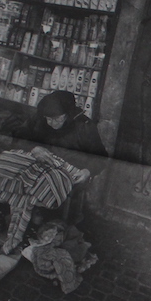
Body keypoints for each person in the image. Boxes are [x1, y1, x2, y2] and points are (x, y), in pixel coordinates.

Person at [20, 90, 108, 222]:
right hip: (41, 164)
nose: (52, 123)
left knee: (43, 188)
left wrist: (87, 171)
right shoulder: (40, 118)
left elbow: (101, 157)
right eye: (48, 119)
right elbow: (19, 135)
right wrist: (33, 148)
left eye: (57, 119)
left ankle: (39, 217)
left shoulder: (84, 126)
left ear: (68, 114)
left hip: (70, 172)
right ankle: (27, 215)